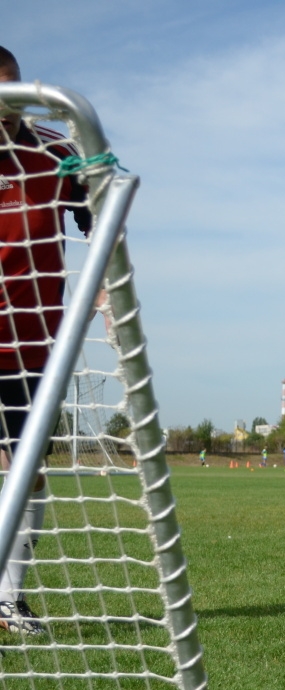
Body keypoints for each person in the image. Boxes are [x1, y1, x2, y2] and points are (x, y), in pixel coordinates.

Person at [0, 46, 94, 635]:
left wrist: (107, 279)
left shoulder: (53, 151)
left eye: (11, 91)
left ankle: (9, 599)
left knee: (28, 469)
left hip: (33, 346)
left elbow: (98, 214)